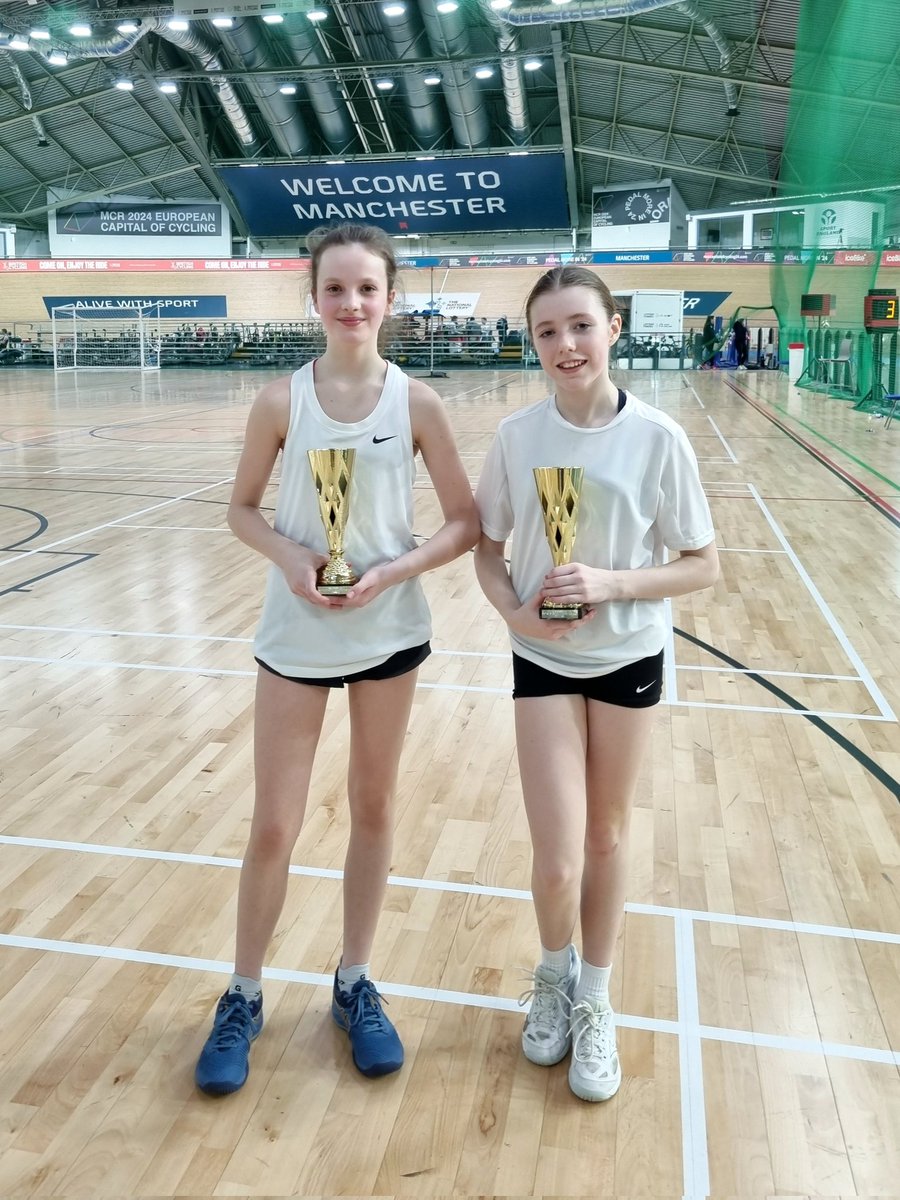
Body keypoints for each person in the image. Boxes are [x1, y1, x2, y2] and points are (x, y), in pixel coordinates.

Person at [195, 222, 479, 1095]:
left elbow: (466, 522)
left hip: (387, 632)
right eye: (336, 288)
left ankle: (355, 981)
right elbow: (242, 510)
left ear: (390, 298)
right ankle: (243, 993)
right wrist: (289, 557)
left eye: (367, 288)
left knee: (374, 805)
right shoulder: (281, 401)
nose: (352, 303)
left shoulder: (418, 403)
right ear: (312, 298)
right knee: (275, 822)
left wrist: (391, 570)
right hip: (294, 635)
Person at [474, 266, 718, 1102]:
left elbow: (702, 565)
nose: (565, 345)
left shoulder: (657, 438)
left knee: (606, 838)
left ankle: (596, 998)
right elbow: (486, 546)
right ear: (533, 343)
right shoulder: (516, 437)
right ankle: (552, 976)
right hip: (542, 658)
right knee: (554, 854)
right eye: (547, 332)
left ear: (613, 328)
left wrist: (612, 584)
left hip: (628, 655)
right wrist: (515, 614)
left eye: (580, 326)